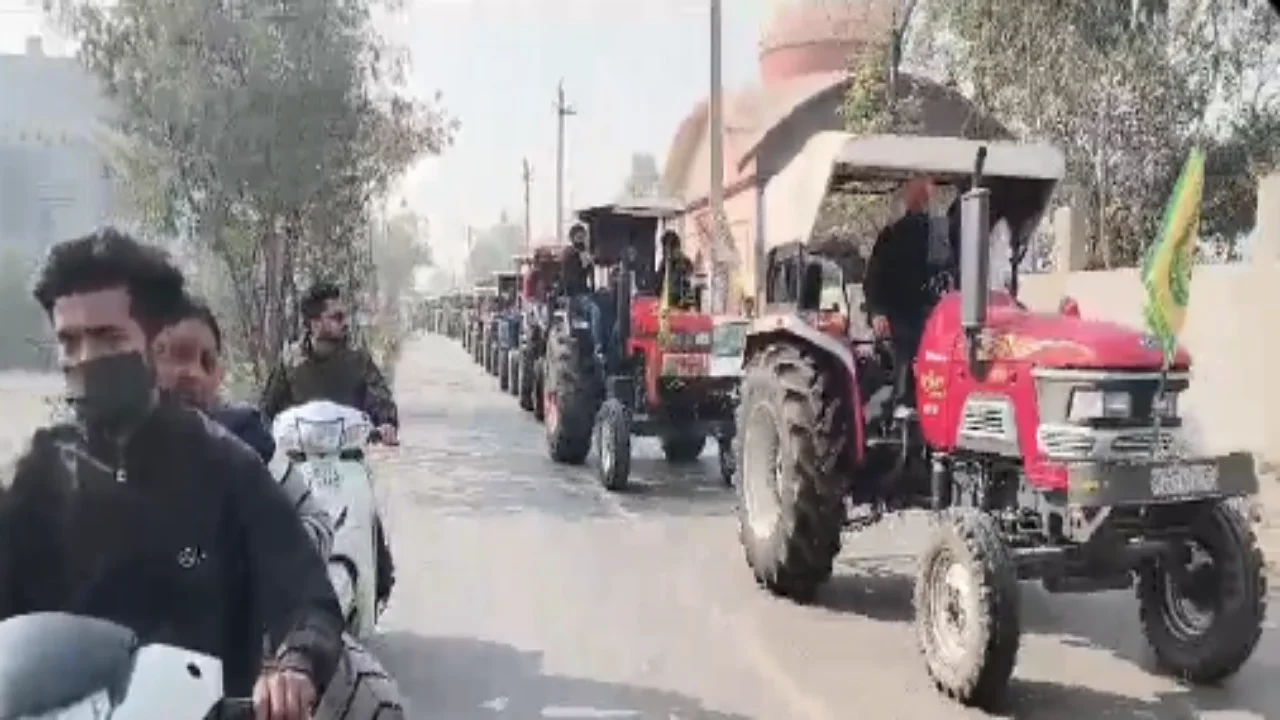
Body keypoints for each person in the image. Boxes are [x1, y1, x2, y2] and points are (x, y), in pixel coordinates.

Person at [0, 228, 342, 719]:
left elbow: (308, 600)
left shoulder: (229, 468)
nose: (85, 360)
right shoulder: (38, 474)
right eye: (69, 342)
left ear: (155, 345)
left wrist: (295, 666)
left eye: (108, 338)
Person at [154, 295, 333, 558]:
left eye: (207, 361)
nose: (193, 373)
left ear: (219, 375)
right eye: (178, 355)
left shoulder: (246, 436)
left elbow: (317, 524)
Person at [259, 281, 397, 610]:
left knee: (368, 522)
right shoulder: (290, 361)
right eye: (336, 316)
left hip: (346, 461)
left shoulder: (357, 360)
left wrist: (387, 422)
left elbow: (379, 397)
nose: (344, 322)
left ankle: (376, 583)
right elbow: (267, 407)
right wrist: (261, 437)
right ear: (315, 322)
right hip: (298, 465)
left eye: (343, 316)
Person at [863, 176, 940, 414]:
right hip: (900, 314)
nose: (923, 200)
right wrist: (877, 312)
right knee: (908, 348)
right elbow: (874, 278)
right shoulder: (891, 236)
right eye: (918, 194)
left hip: (936, 313)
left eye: (926, 195)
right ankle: (902, 405)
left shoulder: (941, 236)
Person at [657, 230, 694, 309]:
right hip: (666, 306)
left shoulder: (684, 263)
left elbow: (688, 288)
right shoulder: (664, 263)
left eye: (665, 248)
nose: (663, 251)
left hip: (679, 307)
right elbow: (659, 284)